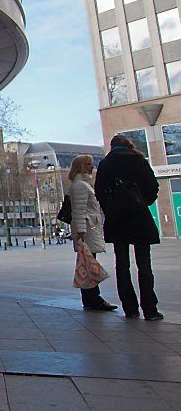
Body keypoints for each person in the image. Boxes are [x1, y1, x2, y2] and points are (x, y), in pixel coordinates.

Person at [94, 134, 163, 320]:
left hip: (117, 219)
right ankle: (150, 309)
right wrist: (141, 202)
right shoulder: (139, 161)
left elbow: (99, 191)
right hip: (140, 217)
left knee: (122, 265)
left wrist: (111, 208)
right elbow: (153, 187)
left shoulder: (105, 164)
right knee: (144, 264)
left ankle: (130, 308)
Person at [67, 155, 117, 311]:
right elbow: (79, 211)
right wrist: (81, 231)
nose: (92, 166)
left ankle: (90, 297)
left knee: (87, 263)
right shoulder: (80, 185)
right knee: (89, 263)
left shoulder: (82, 184)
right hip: (87, 229)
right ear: (80, 166)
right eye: (88, 164)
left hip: (89, 227)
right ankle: (93, 297)